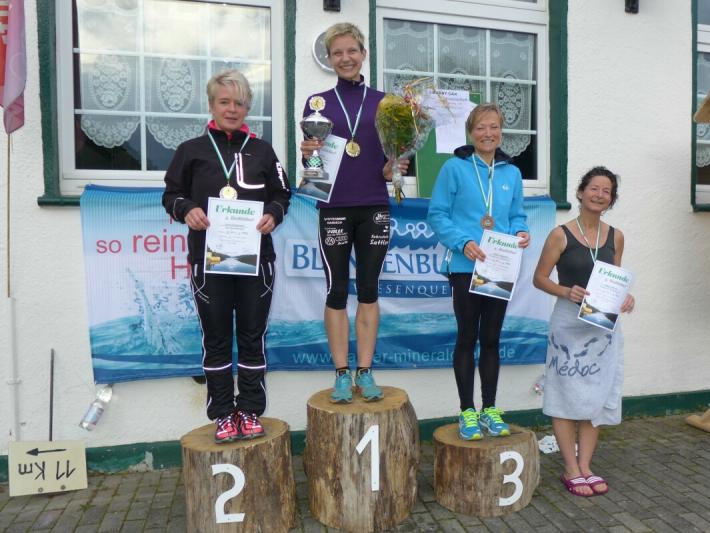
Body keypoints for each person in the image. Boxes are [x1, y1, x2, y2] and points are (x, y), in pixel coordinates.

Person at [162, 69, 291, 443]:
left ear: (247, 107)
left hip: (256, 260)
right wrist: (186, 209)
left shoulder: (263, 151)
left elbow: (282, 193)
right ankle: (222, 413)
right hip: (209, 259)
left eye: (239, 103)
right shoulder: (191, 151)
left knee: (252, 336)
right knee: (216, 338)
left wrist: (274, 214)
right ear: (211, 105)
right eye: (224, 102)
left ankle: (249, 410)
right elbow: (170, 194)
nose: (232, 109)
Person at [300, 23, 408, 404]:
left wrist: (393, 168)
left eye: (351, 51)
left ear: (363, 54)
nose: (345, 58)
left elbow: (394, 163)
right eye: (337, 53)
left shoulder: (386, 103)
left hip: (374, 205)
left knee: (368, 289)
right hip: (333, 206)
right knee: (336, 290)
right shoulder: (317, 103)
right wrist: (308, 155)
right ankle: (341, 374)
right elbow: (312, 167)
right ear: (329, 59)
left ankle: (365, 370)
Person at [427, 103, 530, 441]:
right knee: (467, 337)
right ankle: (467, 411)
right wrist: (463, 242)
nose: (488, 133)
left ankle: (490, 409)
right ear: (471, 133)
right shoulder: (454, 168)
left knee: (491, 339)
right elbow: (437, 214)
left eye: (494, 127)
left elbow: (517, 215)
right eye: (481, 127)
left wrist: (521, 231)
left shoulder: (511, 173)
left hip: (499, 266)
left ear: (501, 131)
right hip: (465, 265)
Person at [532, 166, 634, 496]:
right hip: (567, 325)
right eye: (594, 188)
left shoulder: (616, 236)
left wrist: (626, 297)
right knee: (564, 393)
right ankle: (570, 468)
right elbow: (539, 278)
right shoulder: (560, 234)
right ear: (580, 192)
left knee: (596, 394)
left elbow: (614, 280)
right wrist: (566, 291)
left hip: (602, 327)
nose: (599, 195)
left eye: (606, 191)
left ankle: (586, 466)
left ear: (611, 200)